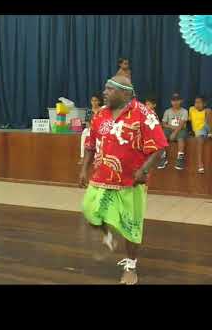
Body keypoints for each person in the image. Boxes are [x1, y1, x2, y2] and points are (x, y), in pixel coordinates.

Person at [79, 76, 167, 285]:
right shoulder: (100, 114)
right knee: (90, 210)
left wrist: (144, 170)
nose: (104, 92)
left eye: (110, 89)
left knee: (131, 226)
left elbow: (160, 146)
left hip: (131, 181)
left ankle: (131, 265)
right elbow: (91, 144)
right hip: (101, 176)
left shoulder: (144, 114)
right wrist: (84, 169)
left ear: (126, 93)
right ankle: (108, 236)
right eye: (105, 88)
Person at [157, 93, 188, 171]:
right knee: (162, 135)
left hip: (181, 129)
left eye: (177, 100)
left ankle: (180, 158)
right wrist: (172, 128)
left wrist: (175, 133)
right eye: (173, 100)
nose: (175, 102)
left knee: (181, 137)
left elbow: (181, 124)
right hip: (169, 129)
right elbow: (163, 123)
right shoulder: (167, 111)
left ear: (181, 101)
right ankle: (163, 157)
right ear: (171, 102)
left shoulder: (184, 111)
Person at [189, 95, 212, 174]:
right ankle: (200, 164)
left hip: (206, 127)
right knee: (200, 141)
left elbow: (209, 121)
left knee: (209, 111)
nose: (197, 104)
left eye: (199, 102)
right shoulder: (191, 109)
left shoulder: (207, 110)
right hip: (199, 130)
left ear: (204, 104)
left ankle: (210, 133)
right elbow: (189, 120)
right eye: (195, 102)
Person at [78, 94, 102, 165]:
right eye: (92, 101)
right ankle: (82, 157)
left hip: (99, 129)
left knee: (98, 137)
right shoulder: (89, 111)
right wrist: (91, 128)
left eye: (96, 101)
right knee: (85, 132)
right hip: (91, 128)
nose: (94, 102)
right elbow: (87, 123)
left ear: (99, 102)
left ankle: (96, 158)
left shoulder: (102, 110)